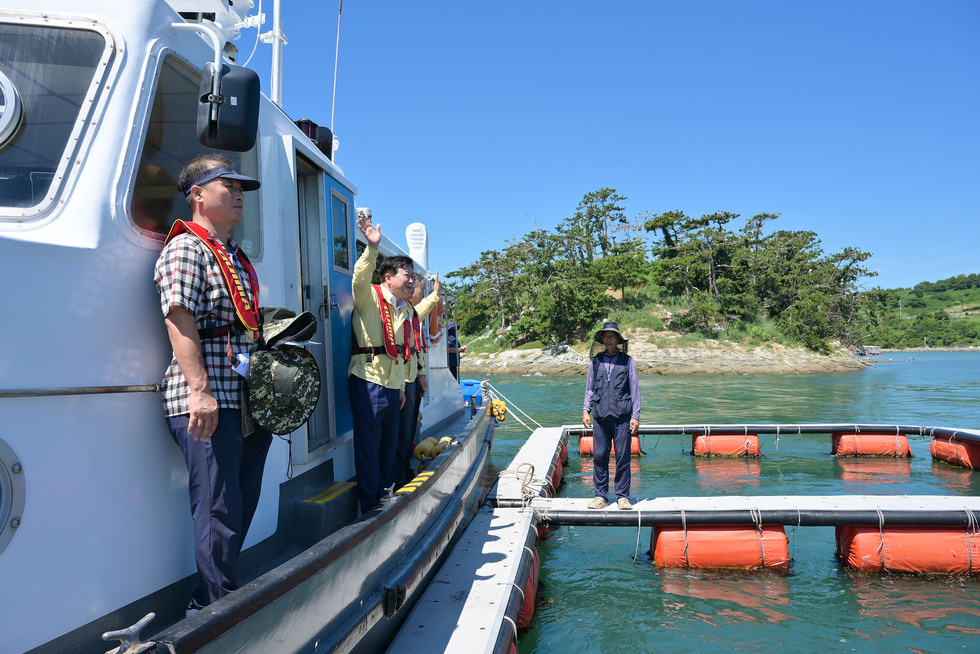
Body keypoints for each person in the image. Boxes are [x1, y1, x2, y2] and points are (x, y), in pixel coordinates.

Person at [153, 154, 272, 614]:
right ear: (198, 195)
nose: (240, 193)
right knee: (217, 506)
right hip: (207, 397)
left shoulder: (235, 256)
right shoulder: (188, 248)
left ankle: (217, 593)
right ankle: (214, 608)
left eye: (242, 187)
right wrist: (199, 391)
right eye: (229, 185)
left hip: (243, 398)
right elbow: (179, 319)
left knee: (239, 502)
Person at [348, 209, 415, 512]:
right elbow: (360, 275)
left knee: (389, 447)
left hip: (391, 386)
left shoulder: (404, 309)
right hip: (368, 380)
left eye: (413, 276)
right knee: (368, 447)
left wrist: (399, 388)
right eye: (407, 275)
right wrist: (372, 247)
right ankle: (370, 506)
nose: (412, 280)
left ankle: (386, 496)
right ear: (388, 278)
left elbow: (399, 353)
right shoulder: (369, 296)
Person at [582, 321, 640, 510]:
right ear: (602, 339)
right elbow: (589, 388)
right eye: (605, 336)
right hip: (600, 417)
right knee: (599, 457)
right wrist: (586, 410)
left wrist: (636, 416)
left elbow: (635, 389)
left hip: (622, 418)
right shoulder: (595, 361)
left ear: (617, 339)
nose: (608, 339)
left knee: (623, 457)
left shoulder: (628, 361)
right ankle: (601, 497)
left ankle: (623, 497)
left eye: (612, 336)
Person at [394, 272, 441, 487]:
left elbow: (417, 349)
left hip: (412, 378)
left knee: (408, 431)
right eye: (421, 290)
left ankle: (404, 471)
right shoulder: (399, 313)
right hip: (401, 380)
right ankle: (399, 477)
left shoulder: (412, 315)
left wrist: (421, 375)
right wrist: (435, 295)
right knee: (402, 433)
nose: (418, 292)